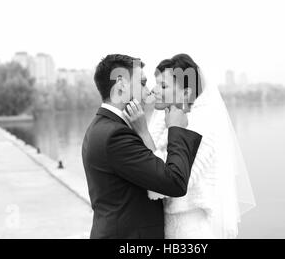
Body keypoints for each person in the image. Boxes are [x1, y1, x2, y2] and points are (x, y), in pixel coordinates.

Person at [125, 54, 256, 238]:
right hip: (169, 226)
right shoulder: (164, 121)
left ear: (186, 93)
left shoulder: (202, 127)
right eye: (156, 84)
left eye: (163, 86)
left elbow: (165, 183)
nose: (154, 90)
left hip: (191, 230)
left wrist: (142, 132)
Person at [82, 54, 202, 239]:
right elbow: (174, 182)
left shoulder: (100, 127)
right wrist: (176, 128)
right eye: (143, 83)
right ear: (121, 84)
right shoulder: (115, 135)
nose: (148, 92)